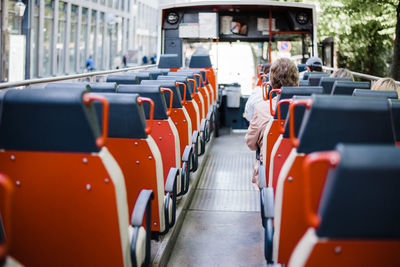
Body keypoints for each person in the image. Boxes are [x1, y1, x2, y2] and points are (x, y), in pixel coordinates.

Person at [245, 58, 299, 185]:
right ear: (297, 84)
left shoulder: (262, 108)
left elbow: (250, 143)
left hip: (270, 175)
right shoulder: (310, 108)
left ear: (271, 84)